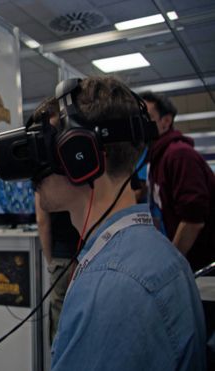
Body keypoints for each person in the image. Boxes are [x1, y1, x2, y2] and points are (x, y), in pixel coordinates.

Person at [32, 77, 205, 370]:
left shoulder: (111, 288)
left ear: (82, 157)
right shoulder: (150, 251)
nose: (35, 166)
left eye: (49, 146)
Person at [141, 91, 215, 272]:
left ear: (166, 121)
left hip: (204, 262)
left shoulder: (178, 155)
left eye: (147, 117)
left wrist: (171, 265)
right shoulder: (157, 158)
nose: (140, 124)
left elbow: (193, 220)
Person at [32, 97, 81, 343]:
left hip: (63, 257)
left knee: (62, 334)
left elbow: (43, 221)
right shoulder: (78, 160)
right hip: (86, 253)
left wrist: (51, 261)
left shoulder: (44, 165)